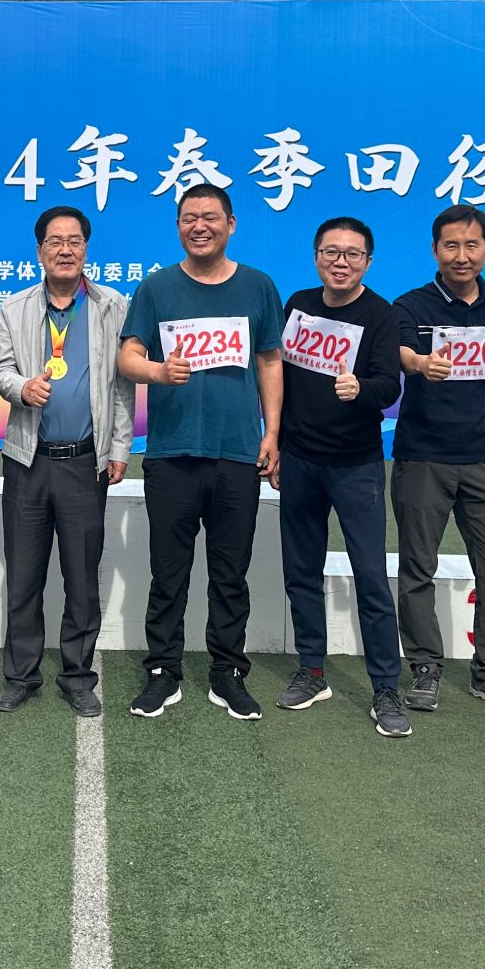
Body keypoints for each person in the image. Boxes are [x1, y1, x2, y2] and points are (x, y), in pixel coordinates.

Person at [117, 183, 285, 721]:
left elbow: (269, 362)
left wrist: (272, 433)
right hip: (172, 453)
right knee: (168, 573)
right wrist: (157, 371)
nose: (199, 226)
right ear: (178, 227)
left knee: (230, 574)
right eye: (189, 218)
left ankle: (227, 672)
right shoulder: (156, 288)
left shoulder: (258, 287)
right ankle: (162, 671)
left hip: (237, 453)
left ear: (231, 224)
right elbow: (128, 357)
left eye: (210, 217)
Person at [391, 204, 485, 715]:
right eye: (451, 245)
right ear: (435, 250)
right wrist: (419, 362)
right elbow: (401, 353)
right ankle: (424, 667)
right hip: (423, 457)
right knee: (417, 567)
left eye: (471, 245)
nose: (462, 255)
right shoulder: (410, 305)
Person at [0, 205, 135, 717]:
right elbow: (1, 370)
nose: (66, 250)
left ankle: (77, 675)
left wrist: (119, 448)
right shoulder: (13, 307)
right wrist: (20, 388)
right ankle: (20, 675)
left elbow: (122, 384)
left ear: (86, 249)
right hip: (27, 460)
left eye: (75, 241)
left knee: (81, 577)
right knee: (23, 575)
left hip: (84, 462)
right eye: (55, 241)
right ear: (39, 251)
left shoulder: (112, 306)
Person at [275, 217, 408, 735]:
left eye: (353, 254)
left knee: (370, 576)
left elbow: (389, 386)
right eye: (331, 251)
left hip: (356, 466)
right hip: (299, 459)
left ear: (367, 262)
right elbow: (279, 377)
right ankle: (311, 671)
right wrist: (275, 442)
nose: (341, 262)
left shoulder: (381, 314)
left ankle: (385, 688)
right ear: (316, 257)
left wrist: (362, 390)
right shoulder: (299, 304)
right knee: (300, 572)